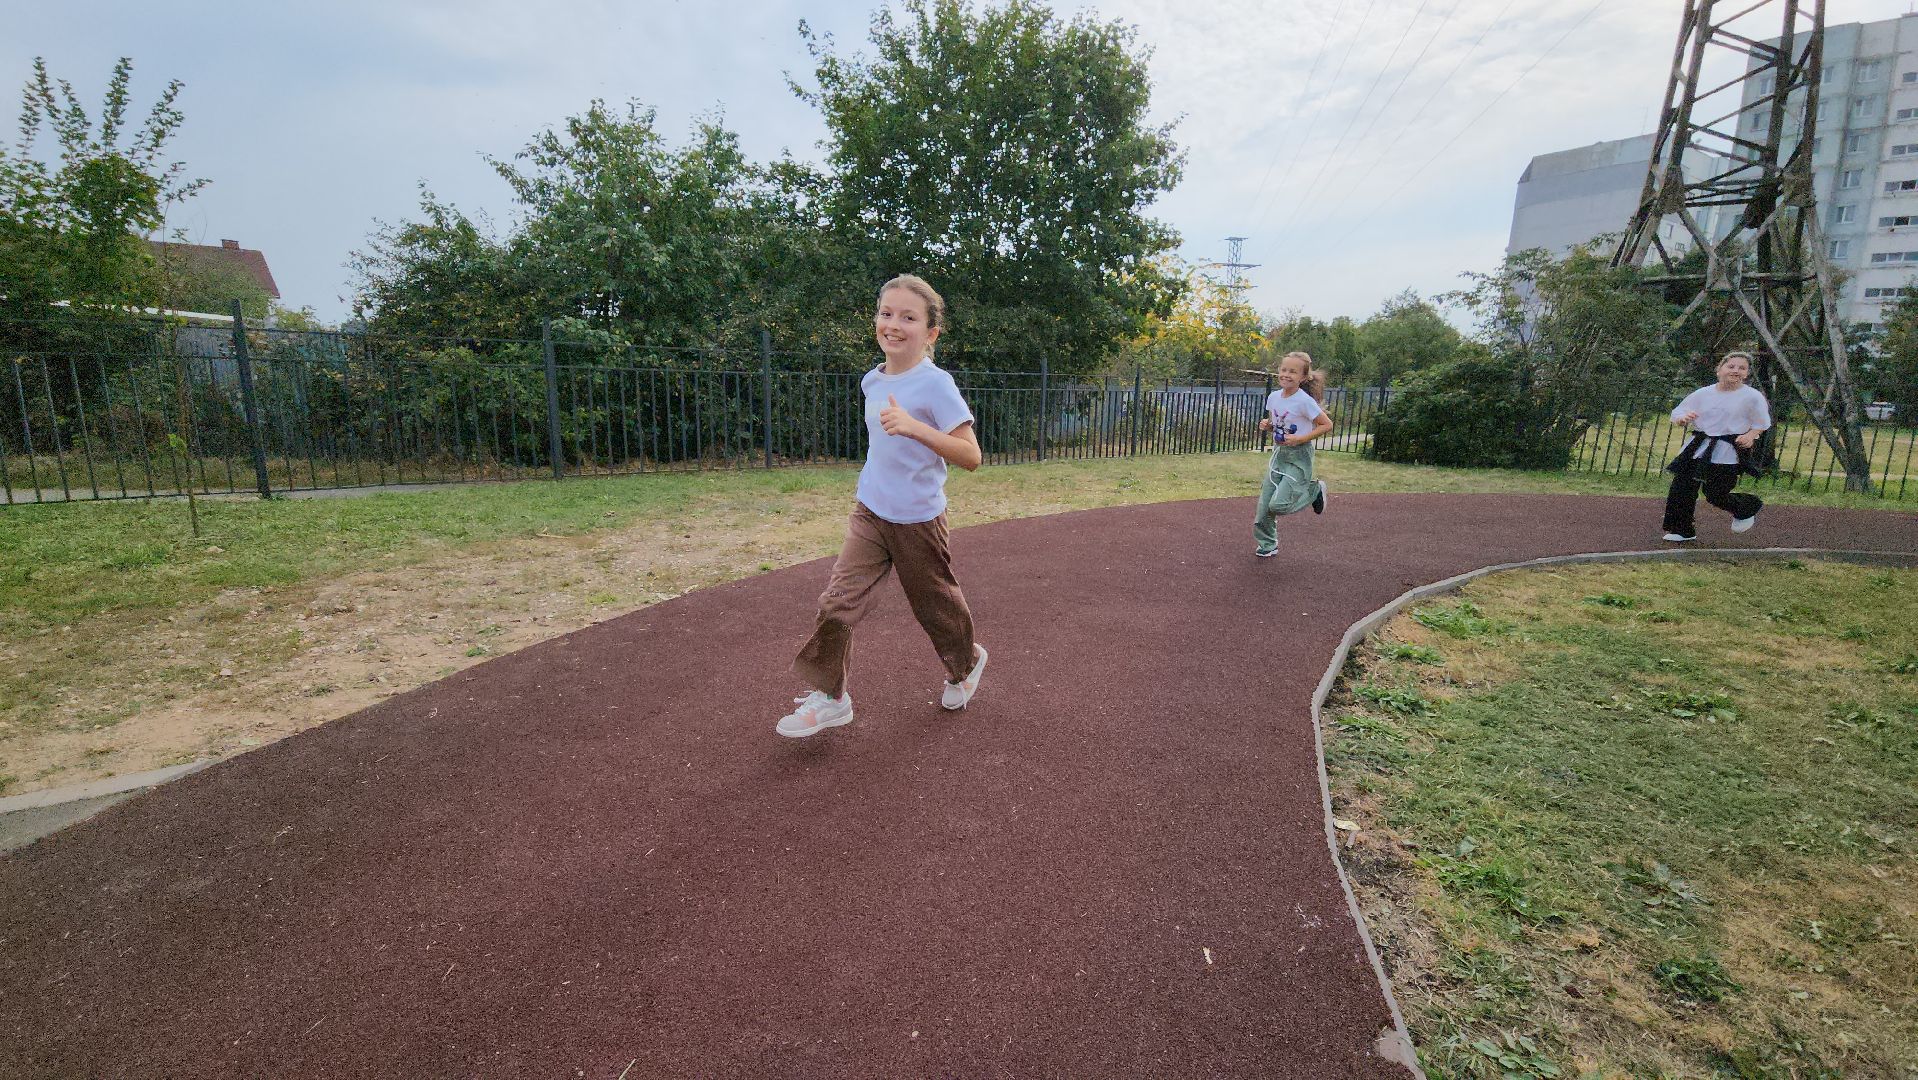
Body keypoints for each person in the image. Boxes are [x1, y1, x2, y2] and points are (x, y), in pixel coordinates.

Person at [777, 274, 989, 738]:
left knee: (935, 608)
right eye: (886, 313)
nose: (893, 324)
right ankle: (831, 697)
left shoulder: (936, 385)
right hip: (870, 511)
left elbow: (970, 455)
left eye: (908, 317)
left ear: (930, 333)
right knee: (837, 603)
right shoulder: (872, 380)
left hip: (919, 520)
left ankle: (965, 663)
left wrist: (915, 427)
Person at [1661, 350, 1772, 542]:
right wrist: (1682, 419)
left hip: (1727, 450)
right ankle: (1682, 529)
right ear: (1719, 370)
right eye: (1731, 366)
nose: (1736, 370)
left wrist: (1751, 435)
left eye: (1742, 368)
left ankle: (1746, 508)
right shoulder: (1703, 393)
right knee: (1682, 487)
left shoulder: (1752, 397)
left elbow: (1762, 422)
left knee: (1715, 494)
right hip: (1698, 448)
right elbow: (1679, 411)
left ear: (1746, 374)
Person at [1253, 351, 1334, 557]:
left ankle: (1314, 491)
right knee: (1264, 507)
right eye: (1284, 370)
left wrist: (1300, 439)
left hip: (1299, 455)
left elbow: (1326, 425)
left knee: (1278, 505)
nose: (1286, 374)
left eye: (1293, 371)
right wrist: (1268, 426)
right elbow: (1280, 424)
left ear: (1303, 377)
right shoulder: (1273, 397)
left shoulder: (1304, 401)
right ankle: (1268, 544)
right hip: (1279, 454)